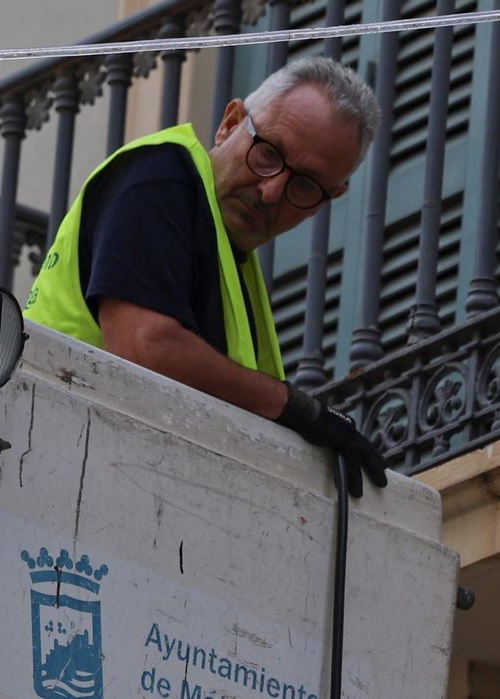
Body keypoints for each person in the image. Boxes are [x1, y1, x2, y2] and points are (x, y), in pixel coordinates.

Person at [25, 57, 389, 497]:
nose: (271, 190)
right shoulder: (160, 175)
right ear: (230, 123)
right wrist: (294, 408)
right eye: (269, 153)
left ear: (331, 198)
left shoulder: (233, 266)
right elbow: (146, 346)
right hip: (55, 468)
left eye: (306, 185)